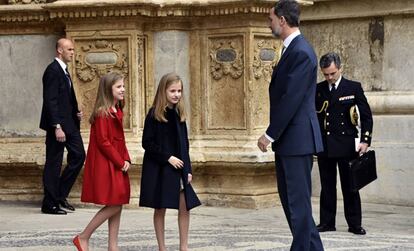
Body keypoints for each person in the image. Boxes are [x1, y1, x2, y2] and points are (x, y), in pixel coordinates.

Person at [257, 1, 324, 250]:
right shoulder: (291, 49)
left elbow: (291, 99)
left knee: (297, 207)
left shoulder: (301, 51)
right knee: (294, 206)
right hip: (290, 142)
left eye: (271, 18)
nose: (269, 23)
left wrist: (269, 134)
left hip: (296, 141)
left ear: (283, 20)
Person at [139, 72, 201, 251]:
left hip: (179, 169)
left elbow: (185, 145)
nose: (176, 94)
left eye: (179, 91)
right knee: (160, 208)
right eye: (172, 91)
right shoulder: (154, 115)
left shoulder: (179, 113)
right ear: (163, 91)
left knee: (185, 206)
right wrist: (167, 157)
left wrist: (188, 169)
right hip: (161, 169)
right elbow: (147, 143)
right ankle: (162, 247)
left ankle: (184, 246)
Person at [315, 52, 373, 235]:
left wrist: (365, 140)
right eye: (326, 74)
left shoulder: (353, 87)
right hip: (326, 146)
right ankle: (326, 222)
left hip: (348, 145)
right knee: (327, 187)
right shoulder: (318, 89)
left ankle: (354, 224)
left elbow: (366, 116)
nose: (329, 77)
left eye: (332, 73)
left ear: (340, 68)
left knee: (351, 187)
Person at [72, 72, 131, 251]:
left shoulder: (117, 110)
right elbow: (104, 142)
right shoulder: (102, 113)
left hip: (117, 162)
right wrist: (120, 162)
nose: (123, 89)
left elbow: (120, 139)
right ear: (108, 90)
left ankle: (113, 246)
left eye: (123, 86)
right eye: (119, 87)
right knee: (115, 203)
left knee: (117, 203)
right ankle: (83, 237)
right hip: (108, 165)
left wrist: (126, 158)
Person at [39, 38, 86, 215]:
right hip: (58, 125)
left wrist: (76, 113)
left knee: (79, 155)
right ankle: (49, 203)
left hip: (70, 123)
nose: (72, 52)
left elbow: (63, 98)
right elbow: (50, 101)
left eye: (73, 49)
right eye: (69, 49)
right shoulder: (52, 71)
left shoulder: (64, 71)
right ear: (60, 50)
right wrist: (56, 126)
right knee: (54, 162)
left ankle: (59, 196)